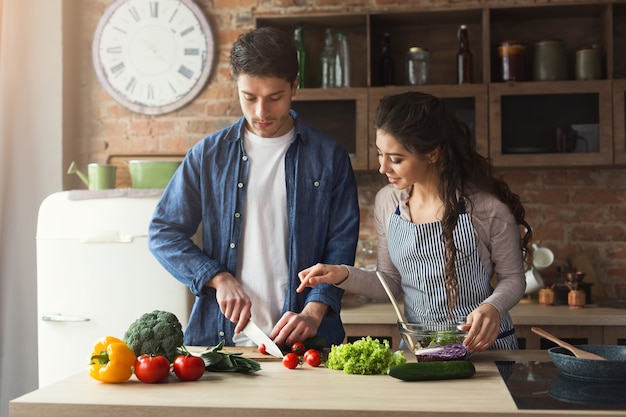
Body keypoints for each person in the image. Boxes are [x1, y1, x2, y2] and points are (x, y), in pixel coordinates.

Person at [148, 27, 360, 349]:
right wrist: (217, 278)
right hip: (221, 343)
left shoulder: (329, 157)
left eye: (275, 98)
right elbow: (163, 231)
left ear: (295, 86)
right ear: (237, 87)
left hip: (307, 342)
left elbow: (340, 247)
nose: (262, 112)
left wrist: (314, 312)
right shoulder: (208, 155)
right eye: (250, 97)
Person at [298, 91, 532, 353]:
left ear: (432, 154)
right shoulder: (388, 203)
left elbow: (513, 278)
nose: (383, 167)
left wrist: (493, 307)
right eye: (379, 154)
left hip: (483, 350)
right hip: (419, 351)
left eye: (396, 159)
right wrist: (342, 274)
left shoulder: (486, 209)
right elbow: (389, 281)